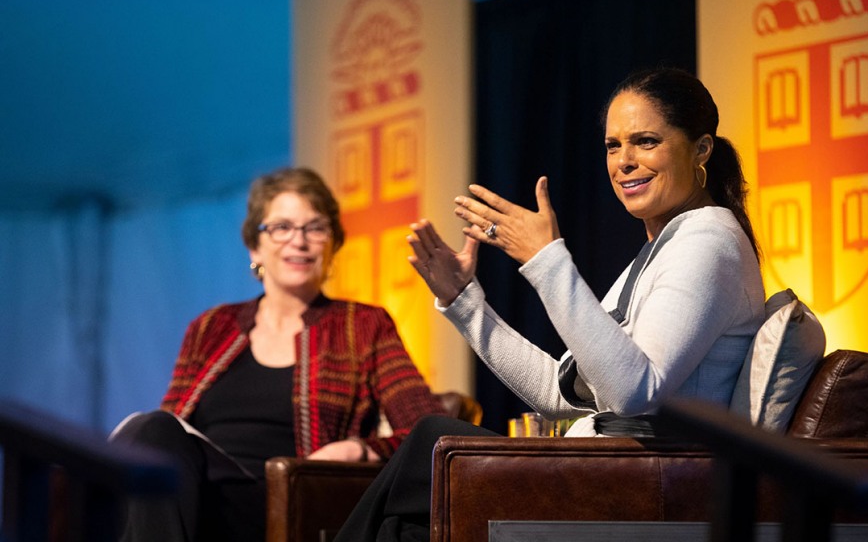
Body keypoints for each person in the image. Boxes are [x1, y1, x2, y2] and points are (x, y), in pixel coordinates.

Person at [333, 67, 767, 542]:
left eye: (645, 142)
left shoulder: (709, 238)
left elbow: (634, 393)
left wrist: (546, 261)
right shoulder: (662, 248)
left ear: (701, 148)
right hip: (617, 469)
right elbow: (559, 394)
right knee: (407, 526)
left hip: (655, 482)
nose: (623, 161)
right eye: (612, 146)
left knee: (431, 441)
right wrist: (463, 303)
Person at [110, 167, 447, 542]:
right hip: (200, 495)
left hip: (291, 500)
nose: (298, 241)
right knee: (153, 433)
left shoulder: (363, 326)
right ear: (255, 245)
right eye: (281, 227)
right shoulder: (211, 326)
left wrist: (360, 450)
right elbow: (171, 423)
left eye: (314, 228)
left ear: (332, 244)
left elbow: (430, 433)